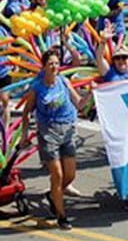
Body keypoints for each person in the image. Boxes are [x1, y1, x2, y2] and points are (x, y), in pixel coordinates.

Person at [21, 50, 84, 230]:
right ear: (44, 66)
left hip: (68, 130)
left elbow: (78, 103)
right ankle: (62, 216)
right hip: (48, 133)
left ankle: (52, 196)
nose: (54, 67)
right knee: (57, 175)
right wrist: (25, 136)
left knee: (70, 175)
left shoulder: (64, 82)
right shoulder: (37, 87)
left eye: (57, 63)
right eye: (51, 64)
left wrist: (91, 94)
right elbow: (26, 113)